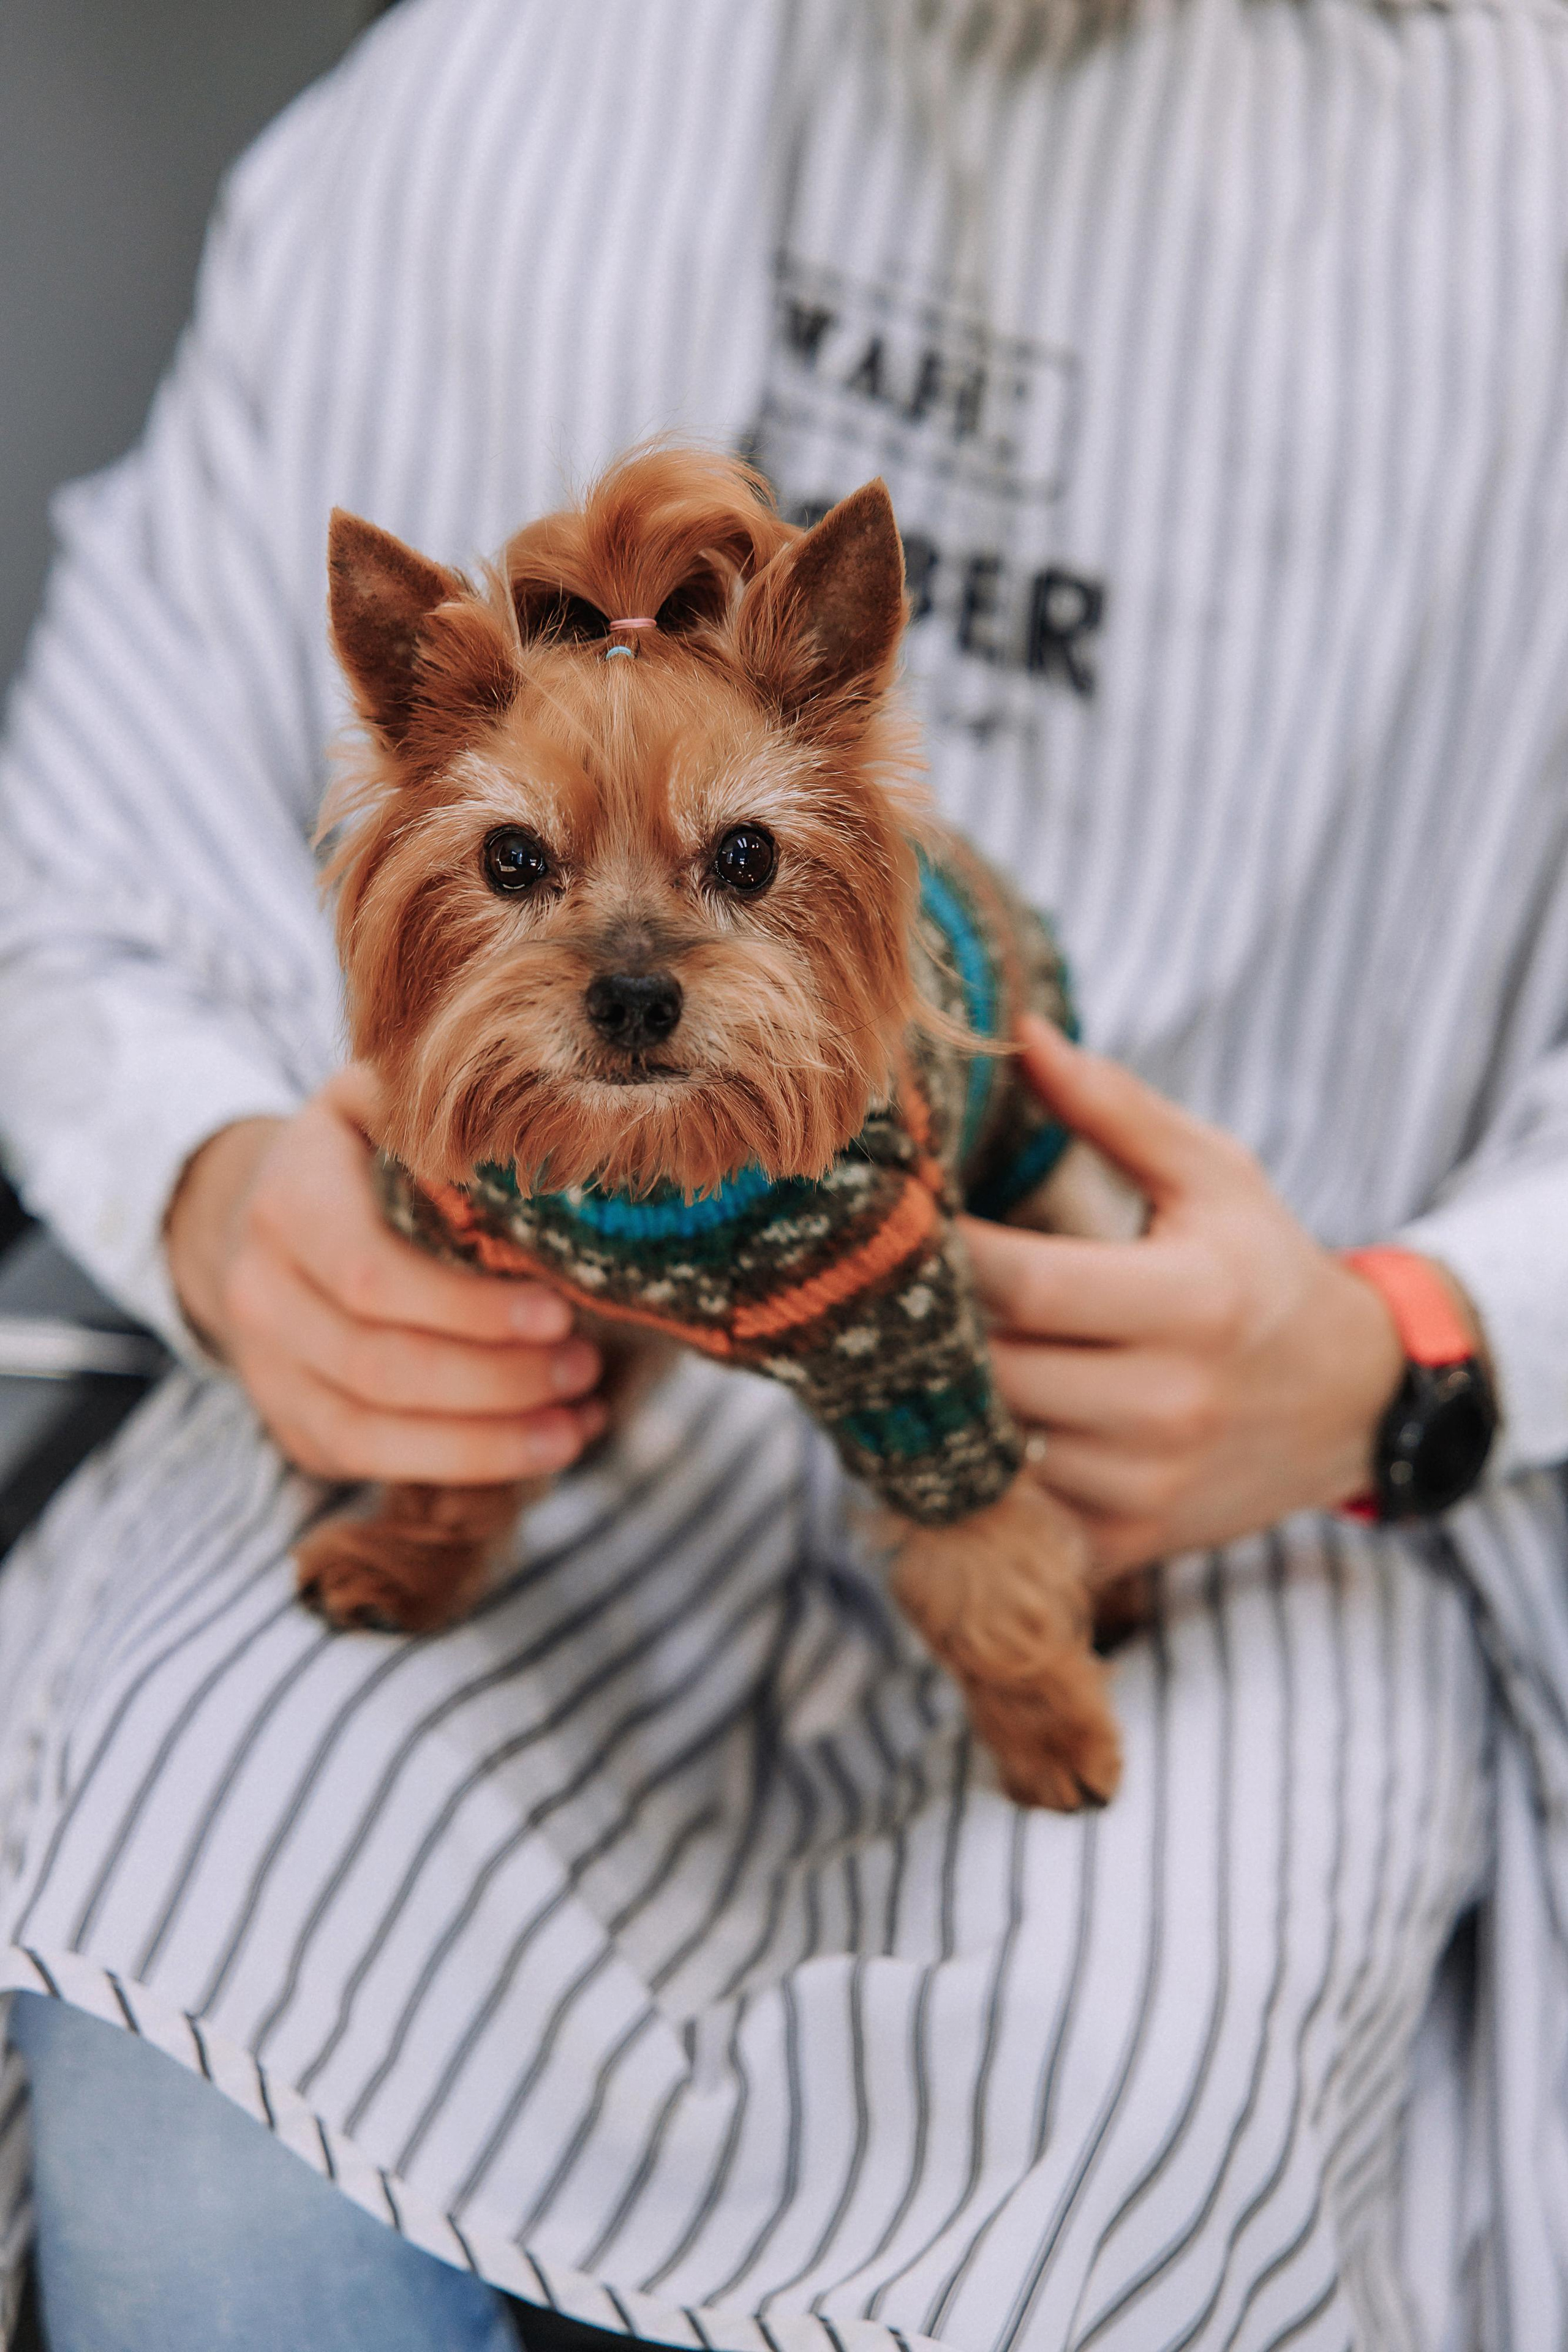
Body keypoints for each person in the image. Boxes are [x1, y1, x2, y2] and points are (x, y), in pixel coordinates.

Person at [0, 0, 1566, 2343]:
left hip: (1251, 1480)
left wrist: (1421, 1343)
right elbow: (87, 847)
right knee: (192, 2143)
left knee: (1128, 2138)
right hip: (501, 1392)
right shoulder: (489, 80)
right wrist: (217, 1185)